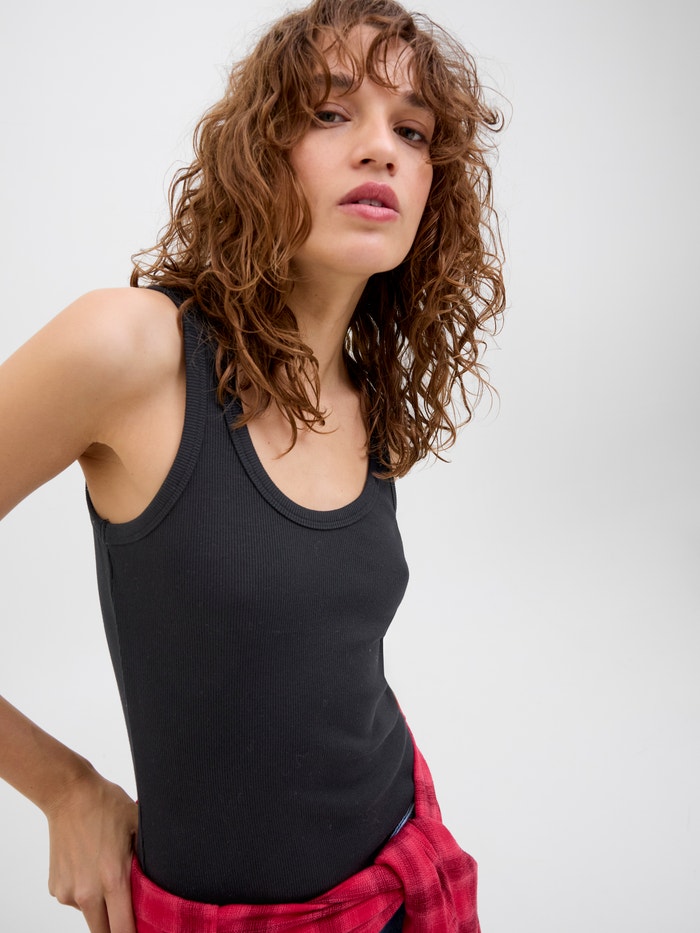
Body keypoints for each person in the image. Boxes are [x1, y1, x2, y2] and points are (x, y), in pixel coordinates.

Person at [0, 0, 504, 930]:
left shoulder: (363, 389)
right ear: (259, 150)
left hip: (405, 867)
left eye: (412, 131)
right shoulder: (132, 349)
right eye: (330, 112)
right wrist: (64, 787)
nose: (380, 149)